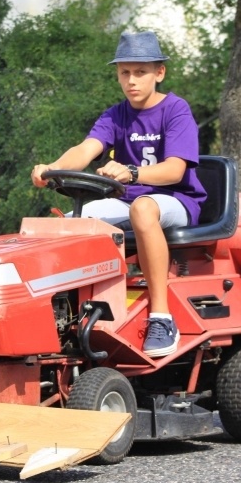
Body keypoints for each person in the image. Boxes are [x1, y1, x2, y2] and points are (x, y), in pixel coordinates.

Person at [31, 30, 206, 358]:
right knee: (66, 224)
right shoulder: (115, 115)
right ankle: (62, 316)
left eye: (140, 72)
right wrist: (52, 167)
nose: (132, 80)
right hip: (129, 200)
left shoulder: (176, 110)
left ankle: (162, 318)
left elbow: (174, 171)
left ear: (159, 73)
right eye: (125, 72)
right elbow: (85, 149)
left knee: (143, 208)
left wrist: (133, 172)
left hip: (177, 201)